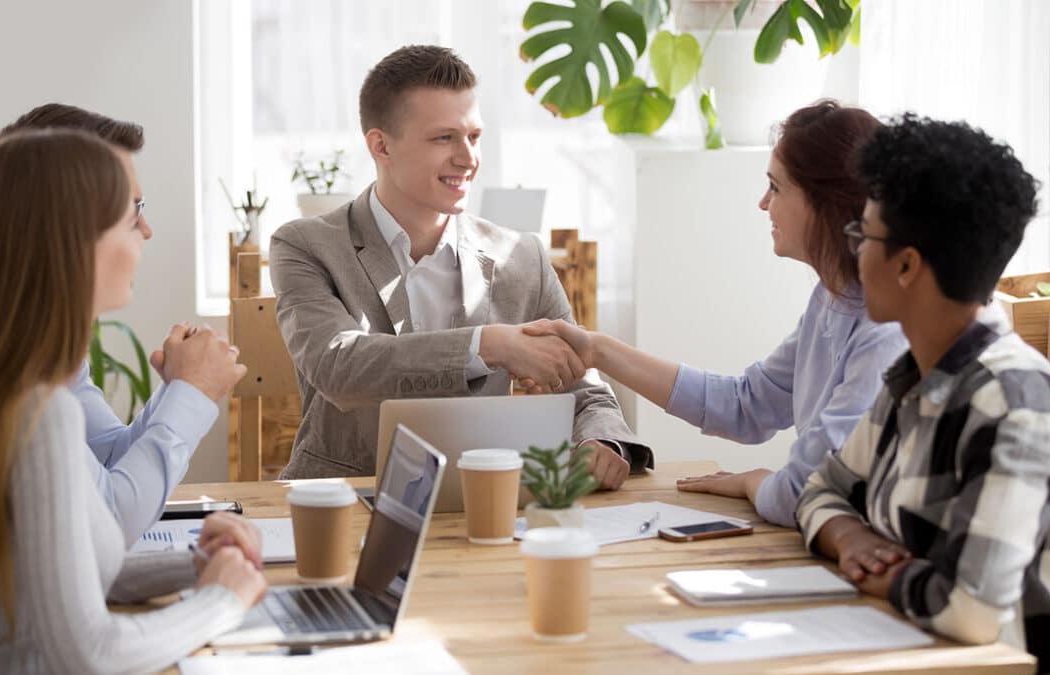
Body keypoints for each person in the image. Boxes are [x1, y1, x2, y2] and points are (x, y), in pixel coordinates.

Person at [269, 45, 651, 488]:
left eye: (474, 136)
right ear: (381, 145)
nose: (468, 158)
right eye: (443, 138)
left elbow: (587, 393)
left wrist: (601, 442)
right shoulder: (305, 245)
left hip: (484, 504)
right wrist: (490, 345)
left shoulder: (521, 259)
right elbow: (340, 367)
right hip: (346, 502)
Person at [522, 101, 908, 526]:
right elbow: (747, 406)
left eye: (776, 188)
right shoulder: (830, 299)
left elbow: (808, 490)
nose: (764, 204)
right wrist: (597, 350)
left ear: (825, 204)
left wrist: (753, 482)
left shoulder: (884, 332)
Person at [0, 129, 268, 673]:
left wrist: (195, 567)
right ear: (76, 240)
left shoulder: (7, 380)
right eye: (133, 216)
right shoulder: (37, 410)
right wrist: (222, 601)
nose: (146, 232)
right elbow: (89, 652)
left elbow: (53, 573)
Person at [796, 115, 1048, 669]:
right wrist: (849, 538)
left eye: (862, 235)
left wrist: (883, 577)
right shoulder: (912, 377)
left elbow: (972, 609)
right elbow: (821, 489)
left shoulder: (1014, 402)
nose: (854, 250)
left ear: (907, 264)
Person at [0, 104, 248, 548]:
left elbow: (105, 457)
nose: (146, 229)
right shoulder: (12, 373)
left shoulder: (45, 345)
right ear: (72, 225)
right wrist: (193, 393)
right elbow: (108, 523)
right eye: (134, 209)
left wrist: (180, 389)